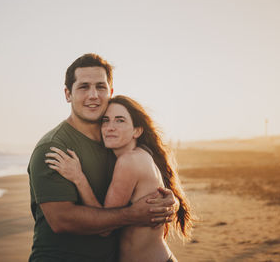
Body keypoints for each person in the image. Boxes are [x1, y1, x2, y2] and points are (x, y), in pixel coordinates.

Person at [28, 53, 179, 262]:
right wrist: (133, 214)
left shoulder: (115, 142)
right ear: (67, 94)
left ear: (110, 92)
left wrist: (169, 203)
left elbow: (149, 185)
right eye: (83, 87)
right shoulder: (54, 147)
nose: (93, 95)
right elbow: (62, 220)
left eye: (100, 86)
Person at [46, 95, 193, 262]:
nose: (110, 127)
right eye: (106, 121)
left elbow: (104, 228)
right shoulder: (142, 155)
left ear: (137, 130)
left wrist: (79, 178)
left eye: (119, 120)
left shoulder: (128, 162)